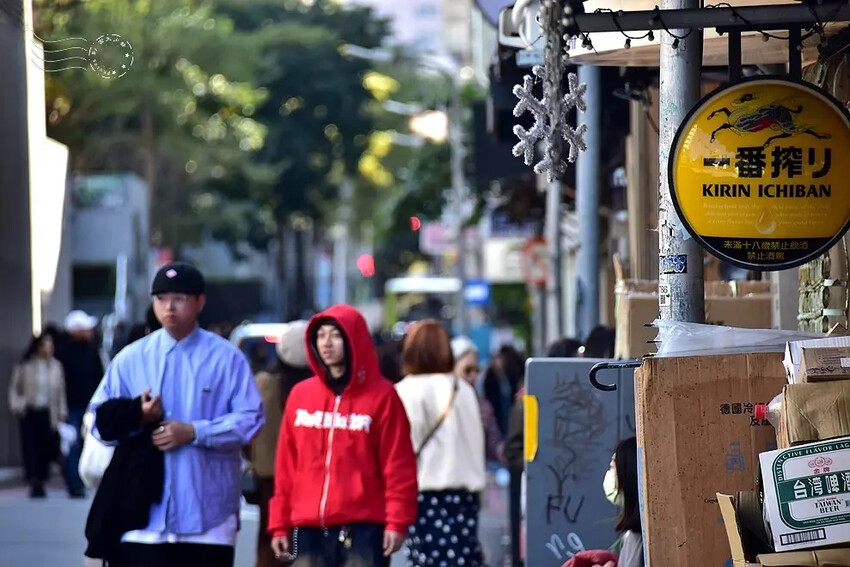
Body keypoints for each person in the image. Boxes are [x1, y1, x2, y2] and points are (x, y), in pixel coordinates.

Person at [85, 262, 265, 567]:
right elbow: (98, 422)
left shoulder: (227, 359)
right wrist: (136, 414)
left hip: (208, 519)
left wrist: (195, 432)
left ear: (199, 302)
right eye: (161, 298)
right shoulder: (130, 359)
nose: (169, 307)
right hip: (142, 519)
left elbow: (251, 420)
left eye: (179, 298)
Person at [269, 304, 417, 566]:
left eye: (336, 335)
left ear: (354, 340)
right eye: (321, 335)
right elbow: (286, 467)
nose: (326, 343)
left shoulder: (383, 397)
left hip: (364, 528)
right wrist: (279, 523)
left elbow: (398, 465)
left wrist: (397, 521)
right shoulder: (301, 396)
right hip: (307, 527)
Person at [396, 320, 486, 567]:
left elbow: (404, 448)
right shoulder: (463, 389)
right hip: (466, 495)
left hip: (427, 495)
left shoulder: (406, 391)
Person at [247, 321, 312, 567]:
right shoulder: (317, 391)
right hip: (308, 479)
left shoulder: (263, 384)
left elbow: (249, 431)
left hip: (269, 479)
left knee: (270, 541)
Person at [562, 437, 643, 567]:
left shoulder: (639, 539)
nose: (610, 474)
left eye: (612, 467)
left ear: (627, 476)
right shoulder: (632, 536)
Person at [8, 333, 67, 498]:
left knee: (45, 447)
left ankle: (42, 477)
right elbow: (15, 388)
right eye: (46, 345)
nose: (49, 348)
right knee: (30, 448)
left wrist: (62, 412)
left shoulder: (56, 367)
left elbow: (61, 392)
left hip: (48, 413)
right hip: (30, 411)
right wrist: (18, 405)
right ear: (38, 347)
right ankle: (35, 481)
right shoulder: (25, 365)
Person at [57, 309, 104, 498]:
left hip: (90, 405)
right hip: (72, 406)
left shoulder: (92, 351)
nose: (89, 331)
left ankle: (85, 480)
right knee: (73, 444)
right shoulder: (63, 353)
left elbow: (100, 379)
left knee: (88, 442)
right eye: (85, 328)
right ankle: (74, 483)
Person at [451, 335, 504, 464]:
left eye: (477, 370)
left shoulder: (483, 406)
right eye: (467, 370)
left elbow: (494, 445)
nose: (473, 376)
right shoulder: (437, 402)